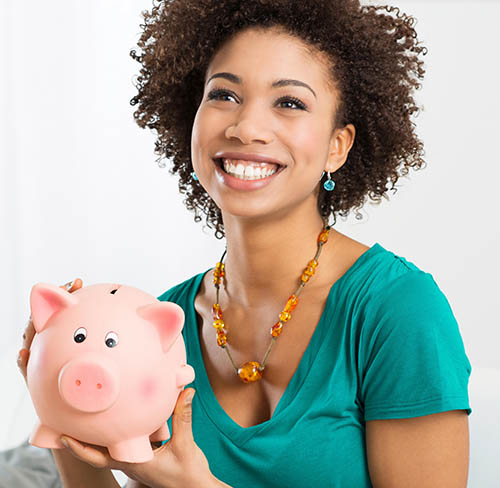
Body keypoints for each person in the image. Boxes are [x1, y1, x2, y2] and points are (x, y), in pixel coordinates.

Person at [17, 0, 472, 487]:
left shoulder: (396, 311)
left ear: (337, 146)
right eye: (224, 95)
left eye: (289, 102)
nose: (245, 127)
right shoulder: (160, 323)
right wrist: (62, 409)